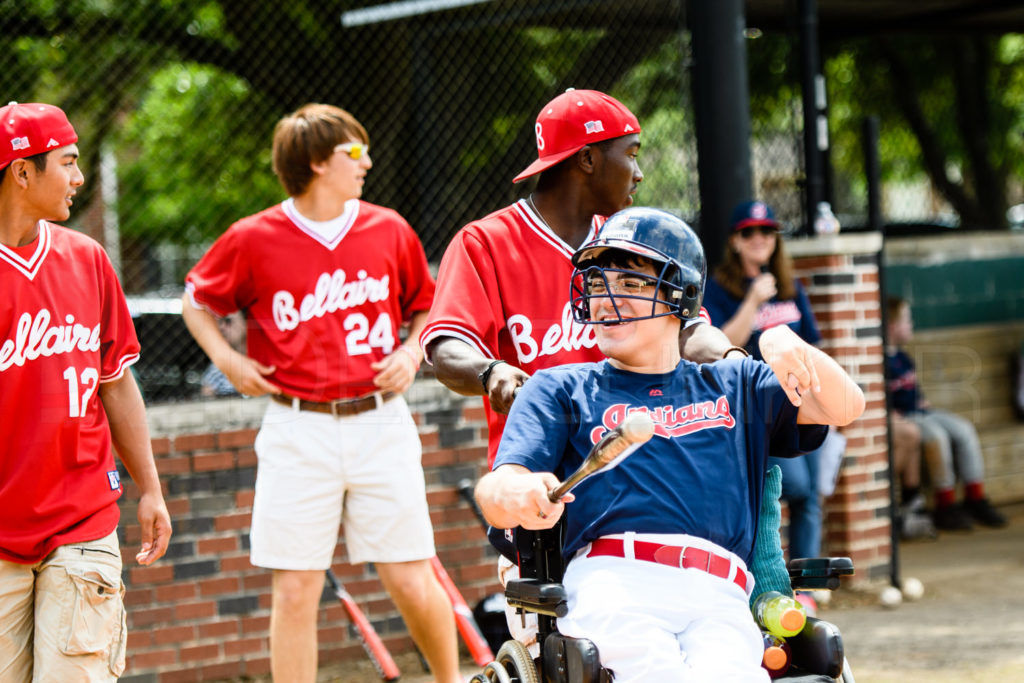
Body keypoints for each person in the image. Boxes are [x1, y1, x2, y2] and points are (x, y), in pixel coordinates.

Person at [419, 89, 751, 654]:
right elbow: (444, 344)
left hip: (659, 480)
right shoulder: (487, 242)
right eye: (632, 152)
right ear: (589, 158)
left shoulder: (634, 242)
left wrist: (734, 362)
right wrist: (493, 371)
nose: (640, 172)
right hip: (553, 498)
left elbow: (690, 324)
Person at [475, 207, 865, 681]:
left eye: (629, 284)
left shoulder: (735, 383)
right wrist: (516, 493)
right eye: (597, 284)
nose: (605, 300)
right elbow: (496, 493)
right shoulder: (559, 387)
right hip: (613, 580)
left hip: (720, 589)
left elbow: (845, 406)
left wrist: (787, 343)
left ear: (681, 295)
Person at [181, 104, 459, 683]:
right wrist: (227, 359)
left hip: (380, 419)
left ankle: (448, 680)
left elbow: (426, 304)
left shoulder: (388, 227)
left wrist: (412, 352)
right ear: (314, 163)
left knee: (410, 577)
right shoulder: (253, 237)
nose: (368, 161)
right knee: (295, 590)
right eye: (353, 152)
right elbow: (197, 301)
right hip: (297, 425)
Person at [0, 101, 172, 681]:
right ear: (22, 170)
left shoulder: (87, 259)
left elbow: (116, 383)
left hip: (82, 519)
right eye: (68, 163)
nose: (79, 178)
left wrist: (149, 487)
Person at [702, 199, 836, 561]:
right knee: (793, 485)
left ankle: (807, 589)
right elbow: (719, 344)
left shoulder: (790, 286)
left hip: (803, 401)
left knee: (811, 497)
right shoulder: (719, 288)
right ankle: (769, 578)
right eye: (749, 232)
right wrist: (753, 300)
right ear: (735, 240)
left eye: (766, 231)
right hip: (760, 408)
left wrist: (827, 400)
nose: (759, 238)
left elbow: (812, 344)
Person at [885, 296, 1007, 531]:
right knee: (936, 436)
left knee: (964, 429)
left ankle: (975, 497)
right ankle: (945, 504)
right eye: (907, 320)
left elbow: (913, 391)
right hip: (904, 419)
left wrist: (921, 400)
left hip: (921, 411)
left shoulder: (902, 357)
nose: (911, 325)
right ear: (892, 326)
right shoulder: (879, 359)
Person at [199, 312, 245, 397]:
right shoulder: (218, 366)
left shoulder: (266, 357)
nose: (222, 327)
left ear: (245, 322)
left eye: (228, 321)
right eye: (219, 323)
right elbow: (206, 395)